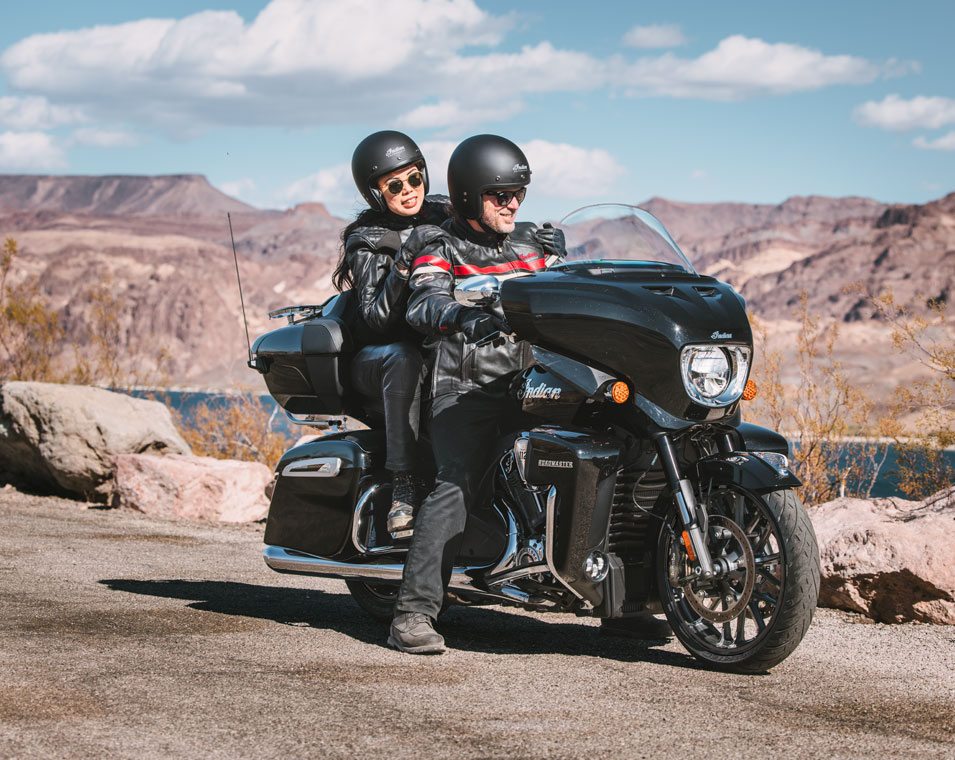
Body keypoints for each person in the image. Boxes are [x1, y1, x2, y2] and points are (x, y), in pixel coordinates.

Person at [387, 134, 565, 654]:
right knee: (457, 481)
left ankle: (626, 604)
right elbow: (423, 302)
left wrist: (565, 265)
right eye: (500, 195)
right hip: (467, 387)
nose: (513, 204)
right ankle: (412, 614)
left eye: (519, 194)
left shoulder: (529, 245)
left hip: (534, 382)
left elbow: (564, 298)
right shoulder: (438, 244)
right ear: (467, 195)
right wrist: (461, 316)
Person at [332, 130, 450, 537]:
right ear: (376, 193)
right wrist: (405, 258)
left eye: (414, 178)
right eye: (394, 185)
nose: (409, 191)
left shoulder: (445, 212)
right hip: (377, 359)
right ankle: (404, 486)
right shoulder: (365, 239)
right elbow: (376, 319)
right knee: (403, 356)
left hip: (435, 344)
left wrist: (532, 244)